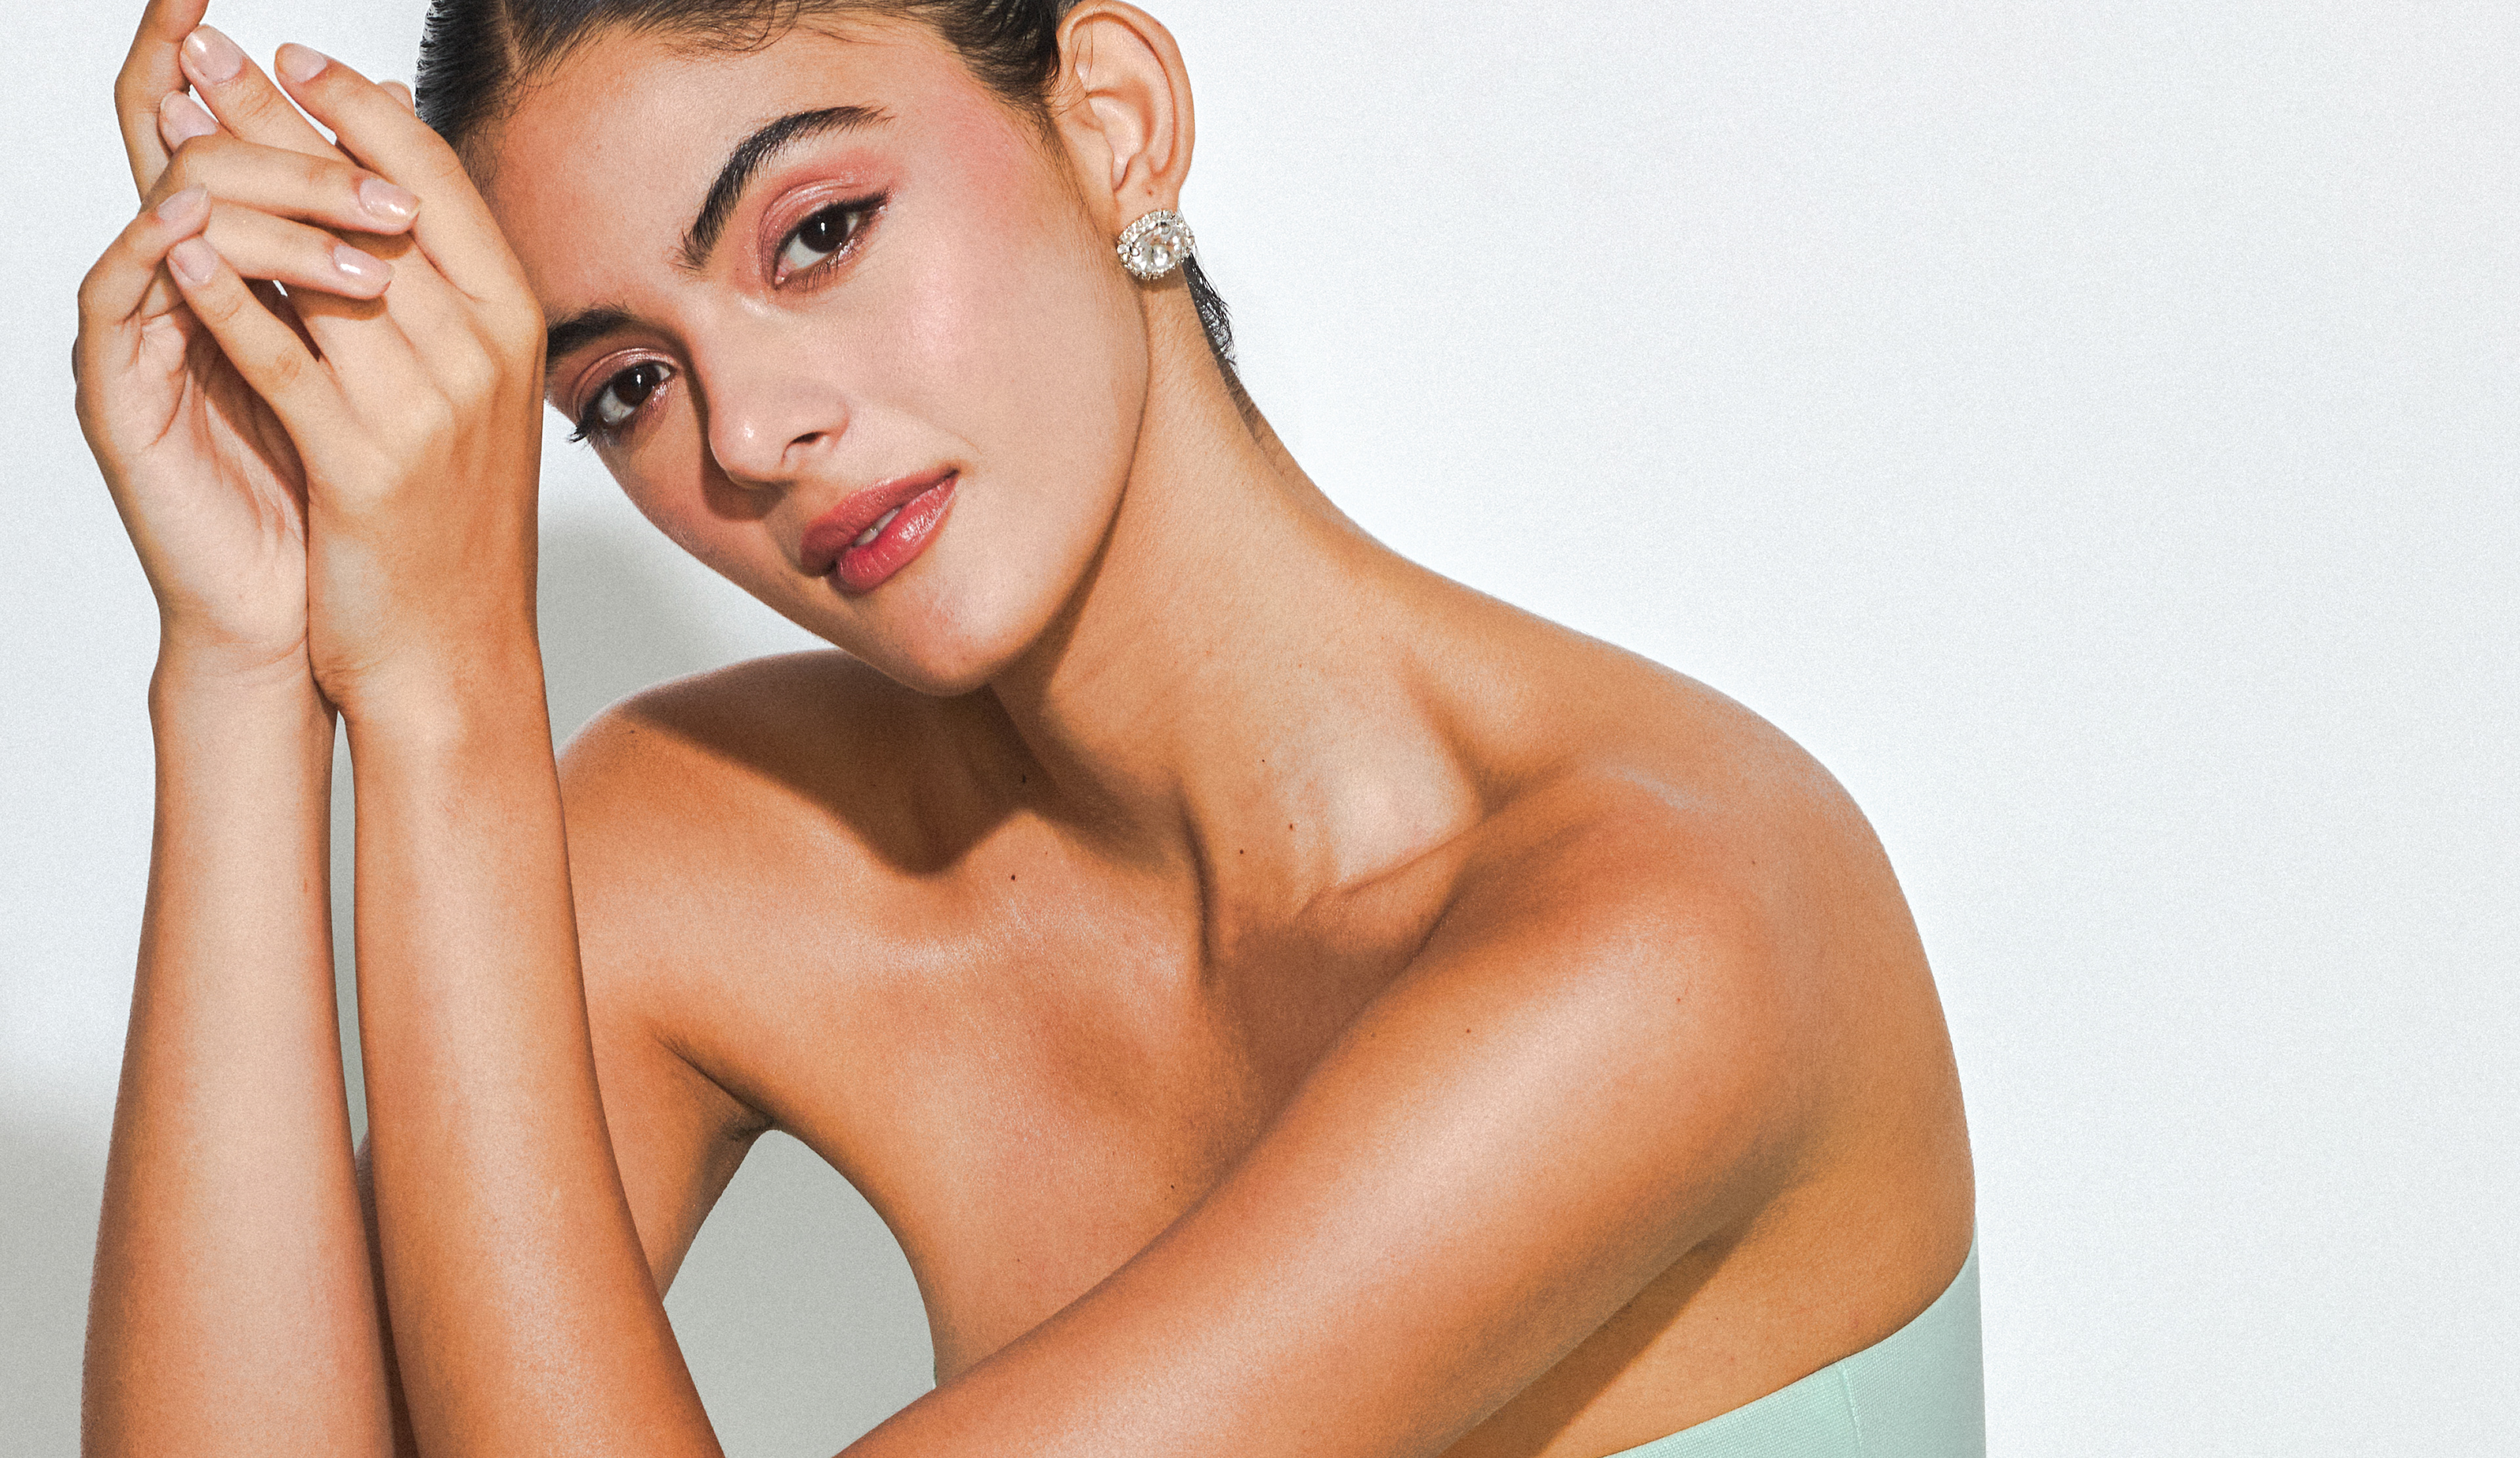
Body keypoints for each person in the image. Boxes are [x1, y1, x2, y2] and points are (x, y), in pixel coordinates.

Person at [72, 0, 1981, 1453]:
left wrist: (450, 687)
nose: (752, 433)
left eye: (818, 232)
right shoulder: (709, 849)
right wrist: (248, 660)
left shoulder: (1673, 930)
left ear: (1113, 121)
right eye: (628, 385)